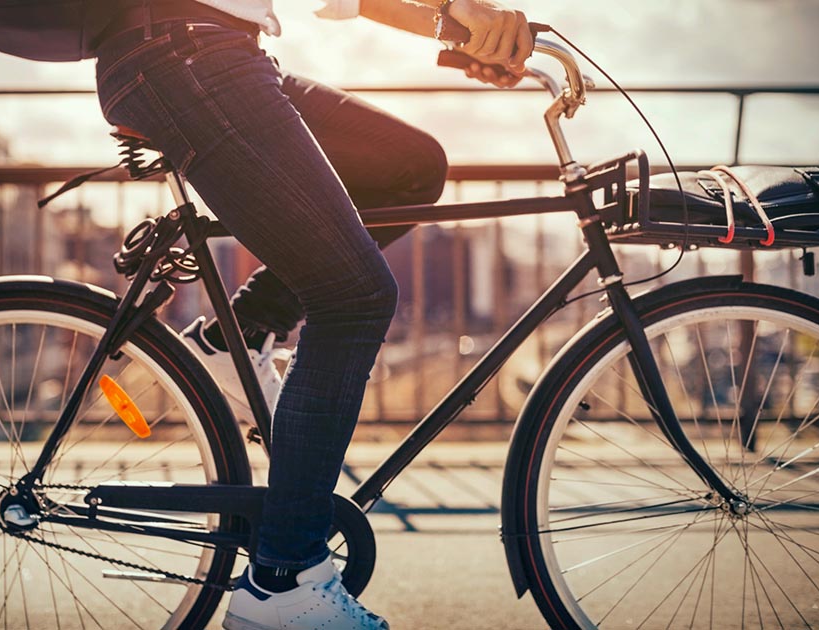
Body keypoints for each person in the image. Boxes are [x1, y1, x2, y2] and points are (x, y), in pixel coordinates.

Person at [93, 0, 533, 627]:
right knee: (354, 298)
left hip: (219, 52)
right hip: (184, 56)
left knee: (412, 167)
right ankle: (284, 578)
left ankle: (234, 336)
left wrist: (459, 30)